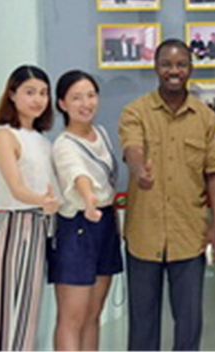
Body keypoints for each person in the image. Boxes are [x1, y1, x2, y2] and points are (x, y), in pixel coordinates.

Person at [118, 39, 215, 350]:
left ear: (190, 69)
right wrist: (139, 169)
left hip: (189, 236)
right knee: (142, 324)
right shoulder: (136, 111)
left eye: (181, 64)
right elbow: (132, 146)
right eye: (167, 64)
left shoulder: (206, 118)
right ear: (156, 67)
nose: (174, 71)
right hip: (144, 235)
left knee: (189, 324)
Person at [0, 65, 60, 351]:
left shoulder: (43, 141)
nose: (38, 99)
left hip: (41, 230)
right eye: (30, 92)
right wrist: (44, 201)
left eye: (43, 93)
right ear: (12, 94)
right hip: (17, 229)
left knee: (29, 317)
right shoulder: (5, 136)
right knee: (9, 316)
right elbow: (16, 188)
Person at [49, 70, 123, 351]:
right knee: (72, 317)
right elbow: (78, 176)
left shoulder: (101, 134)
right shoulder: (64, 145)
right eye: (76, 98)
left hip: (104, 225)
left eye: (91, 96)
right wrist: (90, 200)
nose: (86, 103)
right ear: (62, 104)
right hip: (77, 226)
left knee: (93, 314)